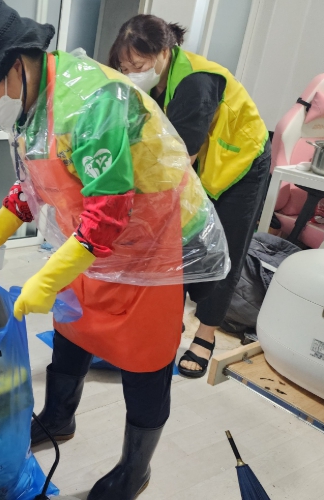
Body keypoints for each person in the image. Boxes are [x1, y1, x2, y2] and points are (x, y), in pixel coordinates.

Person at [0, 1, 227, 498]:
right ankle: (58, 418)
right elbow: (32, 184)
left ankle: (135, 469)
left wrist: (45, 279)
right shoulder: (32, 103)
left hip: (149, 246)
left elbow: (109, 216)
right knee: (72, 331)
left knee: (145, 363)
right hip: (87, 244)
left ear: (12, 65)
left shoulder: (93, 103)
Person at [109, 15, 270, 378]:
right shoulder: (154, 84)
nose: (131, 73)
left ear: (164, 52)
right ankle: (171, 320)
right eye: (125, 67)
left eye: (138, 65)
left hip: (239, 166)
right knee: (177, 244)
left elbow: (179, 159)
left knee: (223, 250)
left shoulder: (196, 82)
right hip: (195, 165)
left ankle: (206, 335)